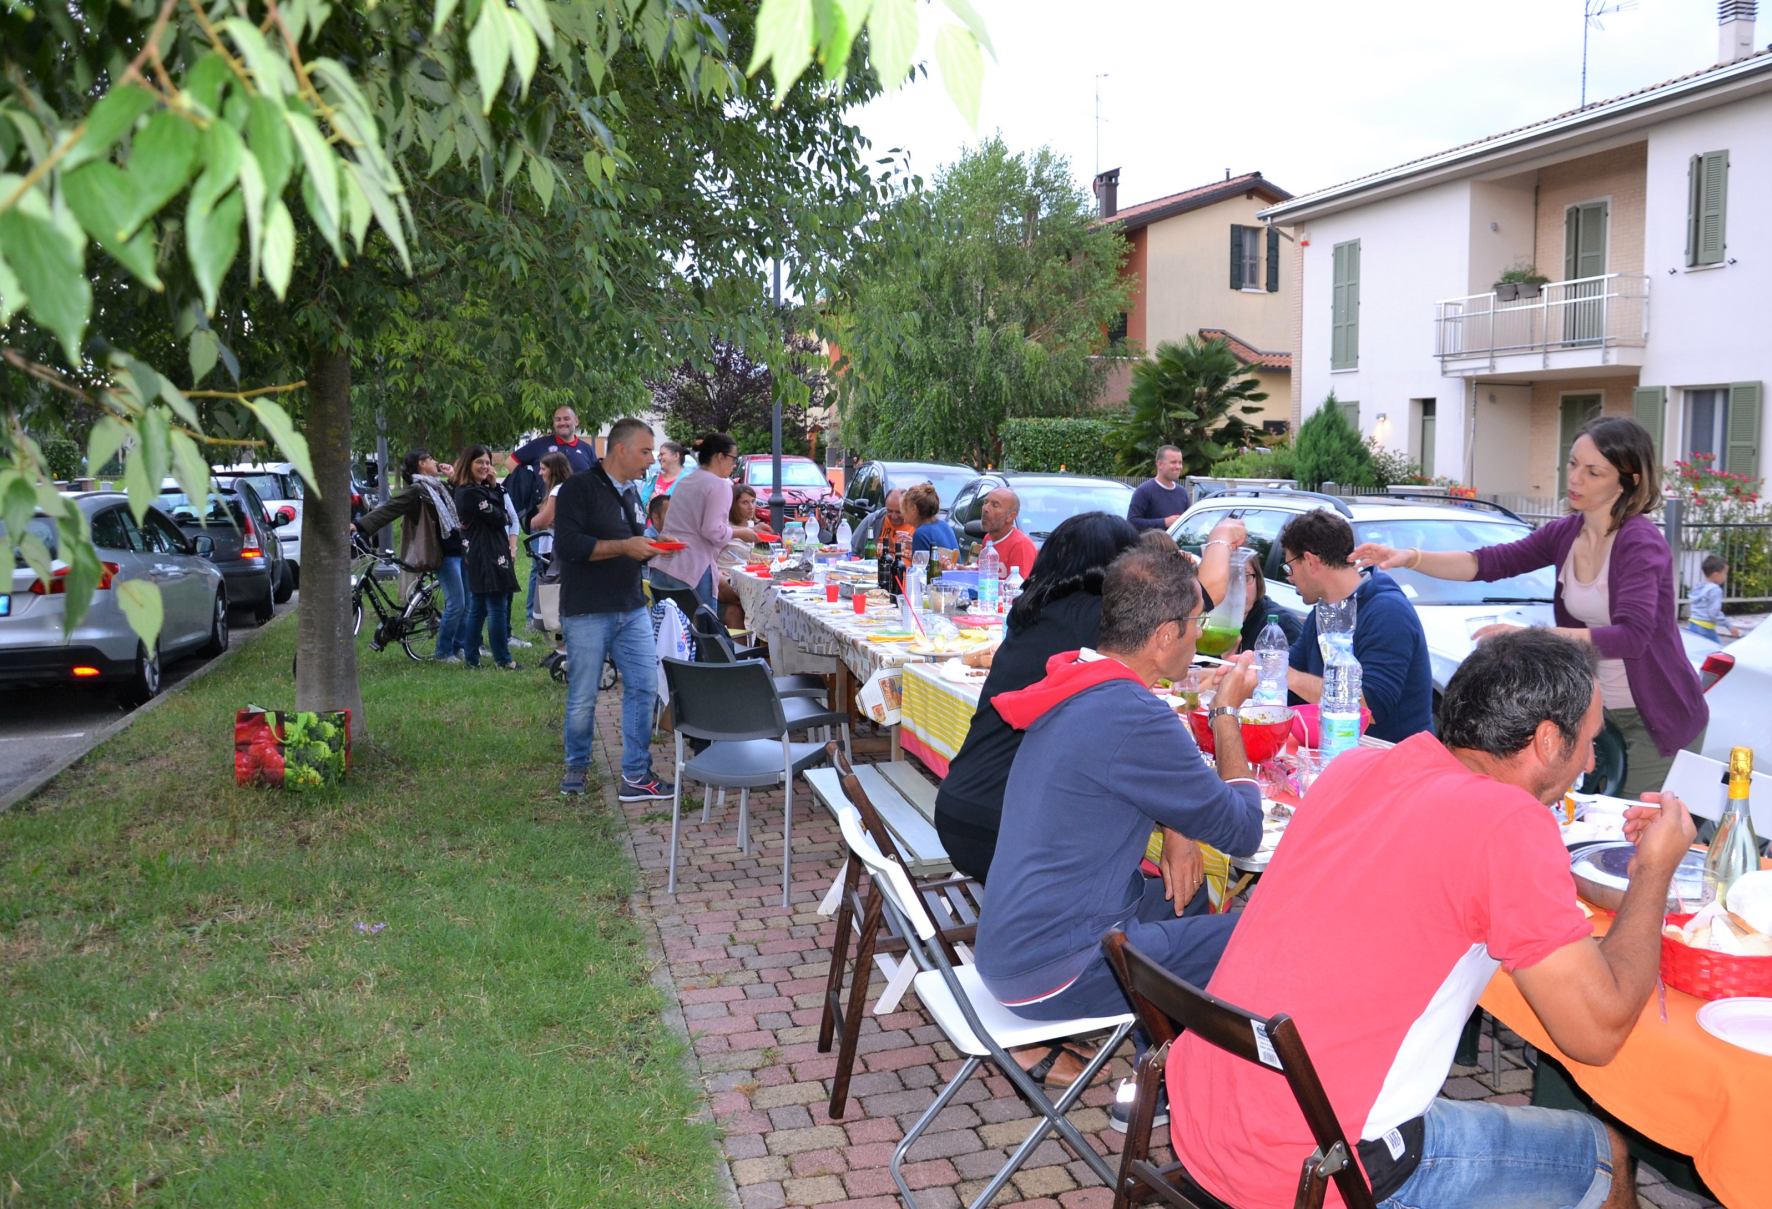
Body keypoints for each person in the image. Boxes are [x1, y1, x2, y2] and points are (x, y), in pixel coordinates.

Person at [1172, 630, 1698, 1209]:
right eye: (1590, 742)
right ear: (1548, 740)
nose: (1592, 761)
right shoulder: (1507, 827)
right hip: (1316, 1166)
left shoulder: (1360, 769)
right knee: (1604, 1153)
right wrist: (1653, 871)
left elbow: (1451, 872)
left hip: (1212, 1118)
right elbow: (1596, 1036)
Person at [977, 539, 1262, 1041]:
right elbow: (1244, 830)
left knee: (1186, 899)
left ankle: (1151, 1076)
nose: (1199, 636)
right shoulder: (1134, 716)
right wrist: (1225, 713)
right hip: (1056, 971)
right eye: (1196, 624)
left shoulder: (1077, 679)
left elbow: (1118, 781)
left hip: (1012, 944)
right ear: (1165, 636)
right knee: (1268, 938)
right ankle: (1189, 1088)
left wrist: (1179, 827)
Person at [1354, 416, 1707, 794]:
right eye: (1573, 464)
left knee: (1630, 834)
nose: (1575, 479)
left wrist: (1532, 638)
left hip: (1655, 719)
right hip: (1594, 715)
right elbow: (1487, 563)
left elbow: (1632, 637)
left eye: (1593, 472)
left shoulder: (1641, 544)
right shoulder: (1566, 533)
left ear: (1629, 480)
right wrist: (1411, 556)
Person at [936, 514, 1249, 884]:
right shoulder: (1100, 619)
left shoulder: (1035, 612)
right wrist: (1221, 537)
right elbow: (1205, 590)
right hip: (1007, 832)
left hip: (962, 806)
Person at [553, 417, 673, 801]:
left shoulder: (630, 492)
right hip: (589, 609)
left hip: (631, 606)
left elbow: (632, 537)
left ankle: (636, 776)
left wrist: (654, 543)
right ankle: (577, 766)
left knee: (644, 685)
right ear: (619, 449)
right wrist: (626, 548)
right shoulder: (578, 488)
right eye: (645, 451)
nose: (651, 460)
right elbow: (570, 547)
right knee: (584, 694)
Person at [1280, 509, 1434, 743]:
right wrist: (1245, 669)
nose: (1290, 578)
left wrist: (1284, 674)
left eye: (1289, 568)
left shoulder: (1388, 612)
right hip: (1344, 753)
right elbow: (1289, 675)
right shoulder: (1323, 612)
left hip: (1395, 761)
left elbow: (1370, 705)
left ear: (1310, 561)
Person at [351, 449, 467, 662]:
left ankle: (460, 646)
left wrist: (454, 479)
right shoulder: (417, 491)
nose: (436, 461)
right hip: (442, 554)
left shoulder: (438, 486)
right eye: (431, 459)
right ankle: (443, 652)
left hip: (458, 549)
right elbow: (390, 508)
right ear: (422, 464)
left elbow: (460, 502)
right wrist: (360, 526)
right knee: (456, 603)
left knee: (464, 602)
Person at [650, 432, 757, 612]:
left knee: (667, 634)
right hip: (693, 569)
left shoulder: (686, 481)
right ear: (720, 457)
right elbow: (712, 531)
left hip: (664, 565)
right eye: (733, 458)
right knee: (701, 633)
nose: (734, 464)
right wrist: (741, 533)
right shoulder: (720, 484)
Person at [449, 446, 520, 671]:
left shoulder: (477, 489)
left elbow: (502, 515)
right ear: (468, 464)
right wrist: (494, 490)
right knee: (497, 606)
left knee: (478, 607)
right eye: (479, 462)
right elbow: (502, 517)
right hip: (487, 554)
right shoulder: (470, 492)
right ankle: (503, 659)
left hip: (482, 553)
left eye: (488, 462)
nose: (485, 466)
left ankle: (471, 658)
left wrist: (493, 488)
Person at [715, 483, 776, 628]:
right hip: (728, 584)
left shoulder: (753, 527)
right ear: (733, 505)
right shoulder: (723, 528)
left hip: (749, 582)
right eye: (744, 502)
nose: (751, 506)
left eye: (753, 501)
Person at [524, 452, 572, 626]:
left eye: (543, 469)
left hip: (553, 550)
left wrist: (533, 520)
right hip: (558, 549)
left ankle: (559, 645)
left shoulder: (558, 490)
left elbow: (541, 521)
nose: (540, 472)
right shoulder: (568, 488)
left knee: (553, 604)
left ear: (554, 470)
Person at [1237, 554, 1301, 654]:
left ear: (1258, 579)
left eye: (1246, 578)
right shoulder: (1207, 619)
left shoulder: (1281, 625)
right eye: (1228, 579)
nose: (1238, 588)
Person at [507, 405, 595, 475]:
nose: (562, 423)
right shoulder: (539, 444)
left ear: (576, 421)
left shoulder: (587, 449)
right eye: (558, 419)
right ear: (554, 423)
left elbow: (597, 479)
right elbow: (510, 463)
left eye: (566, 419)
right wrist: (528, 484)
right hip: (546, 498)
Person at [1126, 445, 1190, 532]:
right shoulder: (1144, 491)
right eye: (1173, 462)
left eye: (1180, 462)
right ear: (1160, 464)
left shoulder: (1182, 493)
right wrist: (1164, 522)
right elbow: (1132, 523)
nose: (1178, 466)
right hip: (1150, 545)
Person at [978, 486, 1036, 578]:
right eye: (985, 502)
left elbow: (1023, 589)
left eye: (995, 505)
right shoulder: (988, 538)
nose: (985, 508)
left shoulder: (1021, 545)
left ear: (1010, 516)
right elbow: (982, 576)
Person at [1687, 554, 1738, 643]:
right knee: (1718, 652)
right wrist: (1729, 626)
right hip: (1705, 628)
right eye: (1725, 573)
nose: (1726, 577)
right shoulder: (1715, 589)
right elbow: (1714, 613)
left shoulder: (1699, 586)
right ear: (1716, 574)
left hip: (1693, 624)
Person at [849, 487, 910, 558]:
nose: (894, 516)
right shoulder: (873, 520)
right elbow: (852, 549)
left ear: (908, 508)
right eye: (889, 511)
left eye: (899, 512)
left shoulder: (918, 525)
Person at [903, 482, 957, 557]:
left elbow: (919, 567)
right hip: (952, 568)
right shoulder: (944, 525)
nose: (903, 515)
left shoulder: (921, 533)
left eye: (905, 509)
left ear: (913, 509)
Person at [641, 439, 686, 505]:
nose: (659, 458)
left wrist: (655, 501)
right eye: (659, 455)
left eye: (662, 454)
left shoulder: (688, 480)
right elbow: (642, 502)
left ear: (676, 456)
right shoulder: (654, 478)